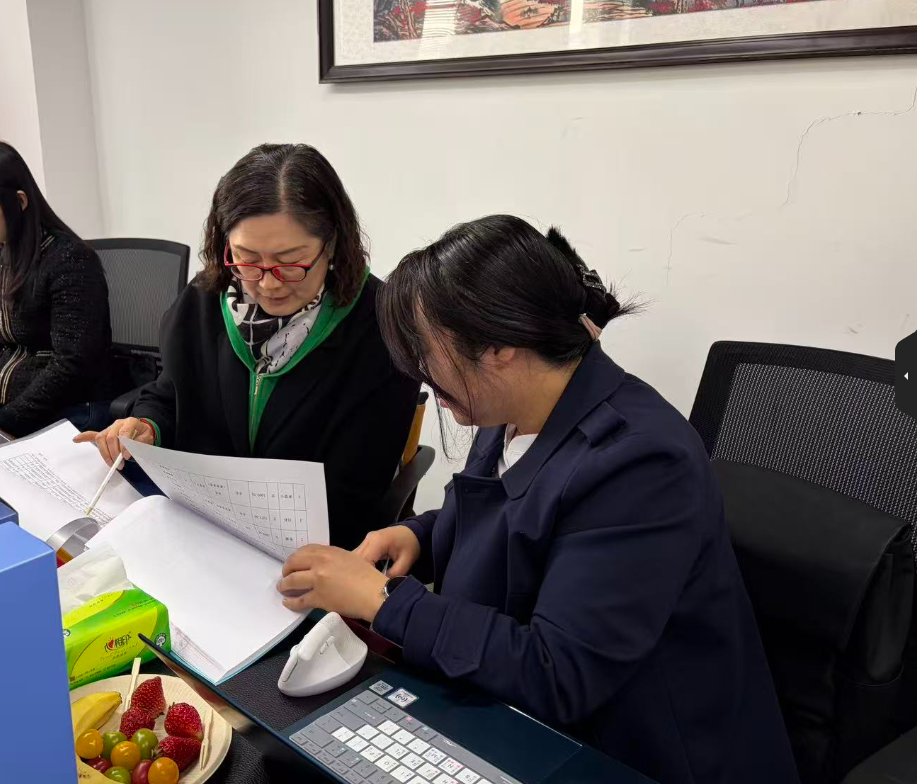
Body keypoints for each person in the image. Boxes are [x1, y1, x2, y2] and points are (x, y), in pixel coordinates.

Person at [276, 215, 799, 784]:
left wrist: (383, 601)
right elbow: (517, 516)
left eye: (428, 353)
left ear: (500, 347)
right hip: (514, 709)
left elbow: (558, 674)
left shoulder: (642, 463)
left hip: (631, 752)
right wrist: (419, 536)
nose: (425, 376)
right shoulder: (511, 406)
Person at [76, 143, 420, 549]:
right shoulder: (206, 299)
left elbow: (356, 488)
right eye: (247, 259)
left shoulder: (380, 328)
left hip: (307, 545)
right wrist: (146, 425)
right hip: (199, 524)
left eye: (290, 262)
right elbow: (170, 392)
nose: (268, 283)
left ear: (331, 244)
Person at [0, 141, 124, 437]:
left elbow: (72, 364)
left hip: (71, 412)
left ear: (19, 201)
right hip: (10, 414)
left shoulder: (69, 260)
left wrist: (3, 424)